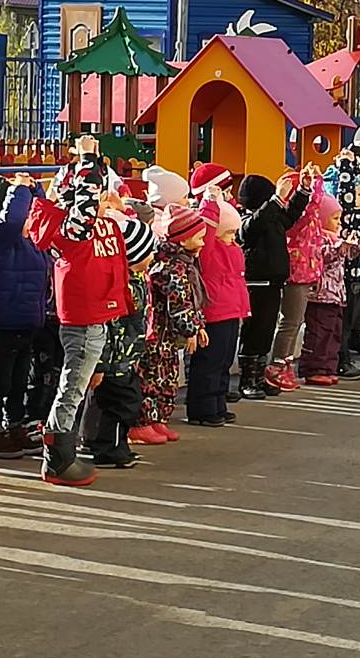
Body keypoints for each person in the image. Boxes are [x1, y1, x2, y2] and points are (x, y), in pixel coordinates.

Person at [25, 136, 132, 485]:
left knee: (79, 384)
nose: (101, 197)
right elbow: (82, 206)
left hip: (99, 315)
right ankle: (58, 458)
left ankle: (61, 452)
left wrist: (89, 162)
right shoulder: (67, 226)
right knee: (72, 388)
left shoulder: (95, 221)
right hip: (83, 319)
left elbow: (86, 197)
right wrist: (86, 159)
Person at [0, 174, 50, 459]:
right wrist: (19, 189)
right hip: (2, 321)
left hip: (28, 321)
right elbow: (12, 221)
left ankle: (15, 423)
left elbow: (46, 217)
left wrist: (36, 190)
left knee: (20, 379)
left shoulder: (33, 241)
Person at [81, 217, 156, 466]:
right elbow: (106, 326)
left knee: (115, 403)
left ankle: (108, 443)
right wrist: (101, 363)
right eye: (149, 251)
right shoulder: (121, 287)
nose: (154, 255)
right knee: (121, 405)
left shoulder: (134, 281)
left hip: (125, 357)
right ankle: (110, 449)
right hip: (115, 360)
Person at [235, 172, 312, 398]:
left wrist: (302, 192)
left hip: (274, 282)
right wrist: (276, 200)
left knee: (266, 332)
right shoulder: (247, 220)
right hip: (256, 282)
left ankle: (259, 377)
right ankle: (248, 379)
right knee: (254, 333)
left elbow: (289, 217)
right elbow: (253, 227)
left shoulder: (272, 219)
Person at [141, 203, 208, 434]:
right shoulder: (171, 267)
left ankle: (160, 419)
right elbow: (179, 303)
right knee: (154, 376)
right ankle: (146, 421)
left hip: (167, 335)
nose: (203, 243)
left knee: (168, 375)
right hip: (157, 334)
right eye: (199, 238)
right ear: (182, 240)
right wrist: (190, 329)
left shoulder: (184, 263)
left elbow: (190, 300)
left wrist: (197, 324)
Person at [189, 195, 248, 425]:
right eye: (230, 233)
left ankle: (218, 402)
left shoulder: (232, 248)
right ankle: (202, 408)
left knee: (223, 361)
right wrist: (211, 204)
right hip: (215, 312)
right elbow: (209, 226)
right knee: (210, 362)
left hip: (232, 310)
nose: (233, 238)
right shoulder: (210, 250)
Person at [324, 144, 360, 378]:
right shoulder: (345, 206)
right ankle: (341, 358)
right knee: (344, 319)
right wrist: (346, 163)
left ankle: (345, 355)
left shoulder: (358, 208)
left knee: (353, 315)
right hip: (351, 271)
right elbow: (347, 187)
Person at [268, 164, 324, 392]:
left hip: (306, 271)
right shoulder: (295, 219)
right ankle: (277, 364)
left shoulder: (311, 219)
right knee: (289, 322)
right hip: (296, 272)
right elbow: (308, 208)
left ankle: (286, 362)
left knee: (295, 321)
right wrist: (312, 184)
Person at [300, 194, 360, 384]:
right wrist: (340, 246)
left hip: (336, 295)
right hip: (320, 295)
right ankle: (313, 368)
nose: (339, 223)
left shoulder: (336, 239)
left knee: (333, 333)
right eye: (335, 218)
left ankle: (328, 366)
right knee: (319, 333)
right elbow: (323, 256)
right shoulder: (318, 238)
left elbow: (348, 254)